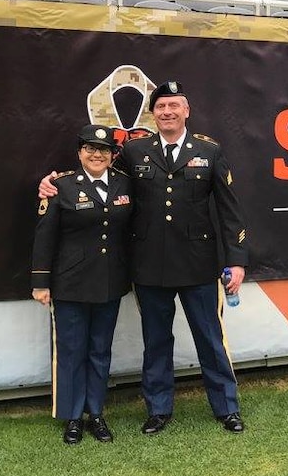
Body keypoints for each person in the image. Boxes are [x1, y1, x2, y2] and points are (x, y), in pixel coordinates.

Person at [38, 82, 250, 435]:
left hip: (199, 264)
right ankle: (159, 409)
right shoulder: (135, 151)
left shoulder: (209, 151)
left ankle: (226, 407)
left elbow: (230, 211)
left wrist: (238, 260)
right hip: (149, 265)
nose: (167, 111)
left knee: (211, 339)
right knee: (156, 340)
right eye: (161, 106)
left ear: (187, 111)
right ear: (153, 113)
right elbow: (97, 170)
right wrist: (54, 184)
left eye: (174, 105)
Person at [31, 124, 133, 445]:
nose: (96, 154)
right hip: (70, 283)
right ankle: (73, 417)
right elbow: (44, 236)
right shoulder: (60, 186)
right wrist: (40, 282)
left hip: (109, 282)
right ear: (79, 153)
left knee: (100, 350)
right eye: (90, 148)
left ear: (112, 155)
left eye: (103, 150)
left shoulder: (125, 184)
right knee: (72, 351)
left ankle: (96, 413)